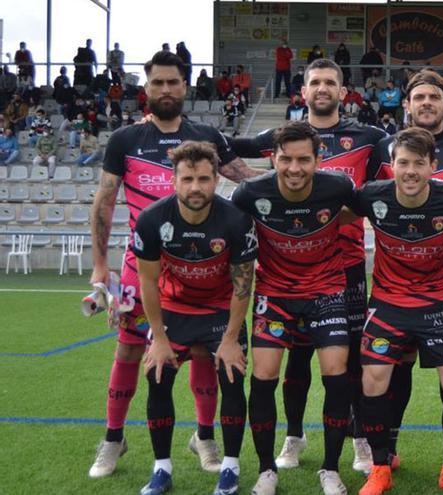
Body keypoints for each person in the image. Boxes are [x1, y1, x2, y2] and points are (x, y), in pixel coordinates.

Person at [229, 58, 443, 480]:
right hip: (291, 270)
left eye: (331, 82)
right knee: (296, 359)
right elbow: (231, 149)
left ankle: (368, 439)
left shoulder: (371, 138)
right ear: (303, 90)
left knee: (351, 364)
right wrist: (179, 130)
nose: (323, 88)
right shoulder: (282, 137)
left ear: (343, 92)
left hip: (344, 269)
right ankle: (294, 435)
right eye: (316, 82)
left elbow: (415, 150)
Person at [87, 50, 261, 480]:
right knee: (130, 349)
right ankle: (113, 439)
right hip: (141, 264)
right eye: (157, 82)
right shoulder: (126, 139)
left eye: (173, 82)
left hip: (202, 266)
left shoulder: (205, 136)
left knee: (205, 349)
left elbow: (246, 177)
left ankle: (204, 436)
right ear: (145, 88)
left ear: (186, 87)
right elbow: (105, 202)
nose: (165, 89)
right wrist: (99, 268)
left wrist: (301, 176)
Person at [366, 71, 443, 477]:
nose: (426, 103)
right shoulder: (383, 150)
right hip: (393, 285)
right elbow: (364, 201)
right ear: (406, 104)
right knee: (394, 369)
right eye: (418, 97)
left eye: (434, 97)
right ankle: (388, 448)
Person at [230, 122, 356, 495]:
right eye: (286, 159)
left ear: (318, 159)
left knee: (336, 373)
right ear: (273, 158)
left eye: (304, 159)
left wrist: (331, 222)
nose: (295, 168)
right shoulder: (250, 192)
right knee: (264, 375)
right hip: (275, 292)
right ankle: (267, 470)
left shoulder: (338, 187)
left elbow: (365, 208)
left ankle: (330, 469)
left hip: (327, 290)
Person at [132, 140, 257, 495]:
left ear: (216, 179)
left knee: (233, 376)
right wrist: (158, 338)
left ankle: (230, 469)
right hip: (175, 309)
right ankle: (161, 470)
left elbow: (242, 286)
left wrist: (231, 340)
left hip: (220, 310)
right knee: (157, 376)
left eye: (203, 179)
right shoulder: (153, 219)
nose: (195, 187)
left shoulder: (235, 220)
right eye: (187, 179)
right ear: (174, 180)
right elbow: (149, 282)